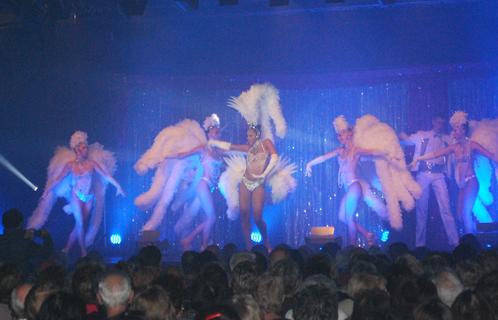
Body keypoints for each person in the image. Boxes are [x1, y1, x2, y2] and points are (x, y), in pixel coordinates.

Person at [210, 84, 297, 250]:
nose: (247, 138)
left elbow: (275, 157)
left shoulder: (266, 143)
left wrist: (264, 174)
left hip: (259, 183)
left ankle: (266, 242)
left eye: (250, 135)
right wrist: (213, 142)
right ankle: (249, 247)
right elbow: (231, 146)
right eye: (247, 135)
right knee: (244, 214)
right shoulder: (247, 148)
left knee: (257, 216)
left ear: (257, 134)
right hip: (245, 182)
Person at [30, 131, 125, 257]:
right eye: (83, 148)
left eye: (86, 147)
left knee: (79, 225)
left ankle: (67, 248)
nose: (85, 150)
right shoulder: (70, 165)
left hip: (89, 197)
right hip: (76, 196)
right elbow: (57, 179)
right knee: (80, 223)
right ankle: (83, 251)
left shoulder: (92, 164)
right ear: (77, 150)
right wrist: (47, 191)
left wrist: (118, 186)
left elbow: (105, 175)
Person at [306, 116, 390, 246]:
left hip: (354, 186)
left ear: (349, 134)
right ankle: (367, 234)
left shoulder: (356, 150)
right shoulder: (340, 150)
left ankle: (352, 247)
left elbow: (373, 152)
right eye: (338, 135)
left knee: (349, 218)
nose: (339, 137)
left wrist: (387, 152)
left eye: (341, 134)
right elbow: (324, 157)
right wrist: (309, 164)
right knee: (342, 217)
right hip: (348, 188)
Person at [411, 111, 498, 234]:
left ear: (463, 130)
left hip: (471, 181)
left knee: (466, 213)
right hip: (461, 184)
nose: (454, 133)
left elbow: (490, 155)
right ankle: (473, 236)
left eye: (456, 130)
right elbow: (435, 154)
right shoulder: (455, 147)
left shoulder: (472, 145)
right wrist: (419, 159)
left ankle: (471, 245)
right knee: (459, 215)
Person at [399, 113, 459, 248]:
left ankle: (455, 242)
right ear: (433, 122)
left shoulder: (447, 138)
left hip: (439, 174)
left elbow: (458, 144)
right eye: (438, 122)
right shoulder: (422, 135)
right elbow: (407, 141)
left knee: (446, 208)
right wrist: (396, 137)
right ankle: (420, 245)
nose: (440, 126)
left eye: (442, 123)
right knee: (422, 209)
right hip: (423, 174)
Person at [170, 114, 225, 251]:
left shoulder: (220, 150)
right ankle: (201, 245)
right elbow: (183, 154)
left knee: (210, 217)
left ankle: (192, 241)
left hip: (211, 187)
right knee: (211, 217)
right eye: (212, 129)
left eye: (217, 129)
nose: (216, 131)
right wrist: (166, 156)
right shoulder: (203, 148)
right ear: (208, 133)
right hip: (203, 184)